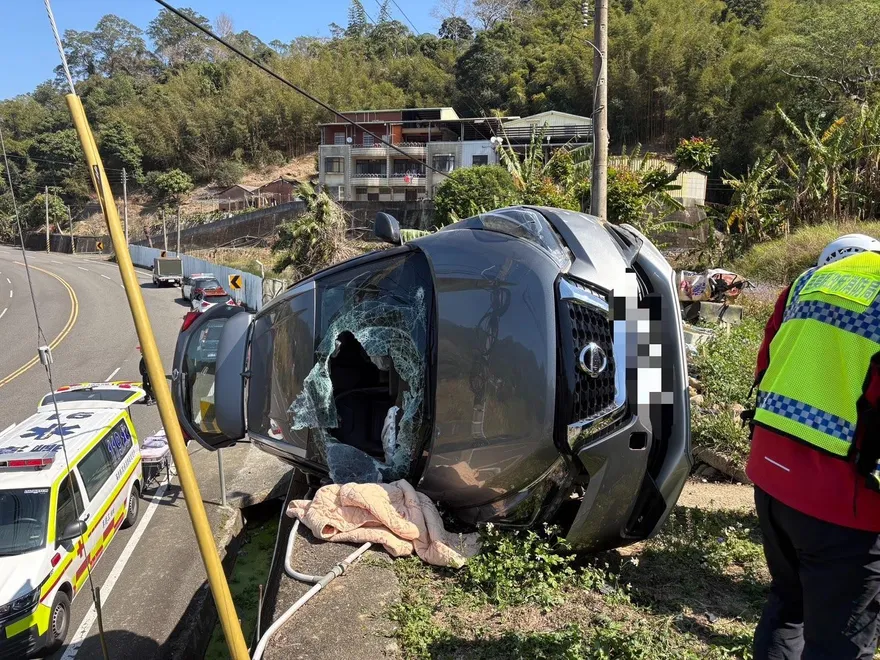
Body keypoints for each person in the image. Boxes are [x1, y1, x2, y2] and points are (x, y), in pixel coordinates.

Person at [745, 233, 880, 659]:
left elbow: (764, 367)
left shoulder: (806, 282)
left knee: (788, 605)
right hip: (846, 500)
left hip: (771, 475)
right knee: (840, 644)